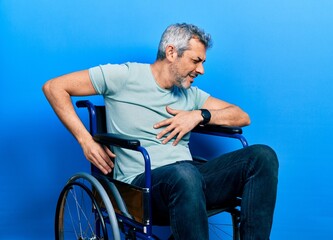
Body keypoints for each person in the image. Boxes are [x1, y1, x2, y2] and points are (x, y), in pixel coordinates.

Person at [43, 23, 279, 240]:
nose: (202, 70)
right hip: (143, 186)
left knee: (263, 157)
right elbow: (54, 87)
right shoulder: (124, 76)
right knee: (185, 174)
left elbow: (242, 116)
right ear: (171, 52)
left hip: (191, 181)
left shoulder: (190, 95)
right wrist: (86, 141)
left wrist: (199, 115)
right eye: (196, 60)